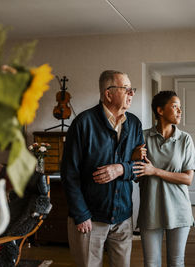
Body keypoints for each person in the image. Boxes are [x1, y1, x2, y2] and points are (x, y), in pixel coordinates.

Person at [61, 70, 144, 267]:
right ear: (108, 94)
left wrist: (121, 169)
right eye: (127, 89)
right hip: (90, 218)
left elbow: (141, 166)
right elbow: (69, 173)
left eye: (132, 89)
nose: (132, 93)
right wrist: (81, 214)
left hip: (123, 216)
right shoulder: (83, 123)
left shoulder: (134, 124)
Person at [133, 91, 195, 267]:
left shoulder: (185, 139)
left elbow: (187, 179)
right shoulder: (142, 137)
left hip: (179, 210)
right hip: (150, 209)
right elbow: (136, 176)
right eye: (175, 106)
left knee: (176, 263)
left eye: (180, 107)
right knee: (151, 263)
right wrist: (134, 157)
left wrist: (154, 171)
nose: (180, 111)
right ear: (160, 110)